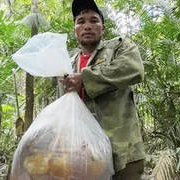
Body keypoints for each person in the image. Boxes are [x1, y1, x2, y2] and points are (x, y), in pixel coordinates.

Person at [58, 0, 145, 179]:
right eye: (81, 21)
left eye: (94, 21)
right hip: (83, 155)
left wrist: (85, 78)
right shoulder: (67, 64)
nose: (87, 26)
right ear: (74, 29)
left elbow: (134, 68)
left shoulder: (119, 47)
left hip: (122, 153)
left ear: (103, 28)